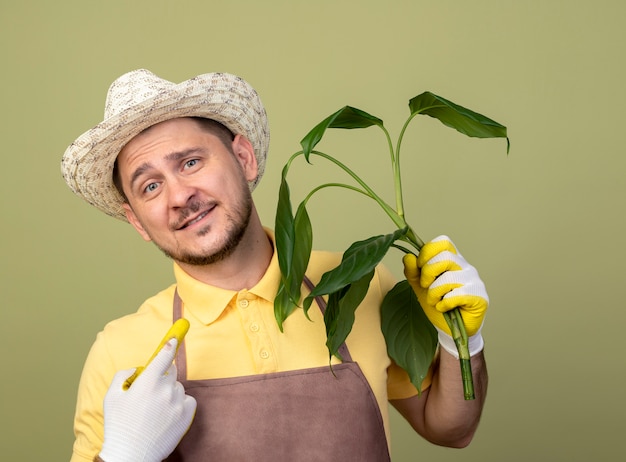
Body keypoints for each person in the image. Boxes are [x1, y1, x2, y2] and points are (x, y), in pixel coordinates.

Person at [62, 69, 490, 462]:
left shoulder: (358, 285)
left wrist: (462, 344)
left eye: (190, 162)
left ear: (244, 158)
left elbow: (451, 429)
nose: (178, 196)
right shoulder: (118, 350)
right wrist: (125, 457)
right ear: (137, 219)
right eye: (150, 186)